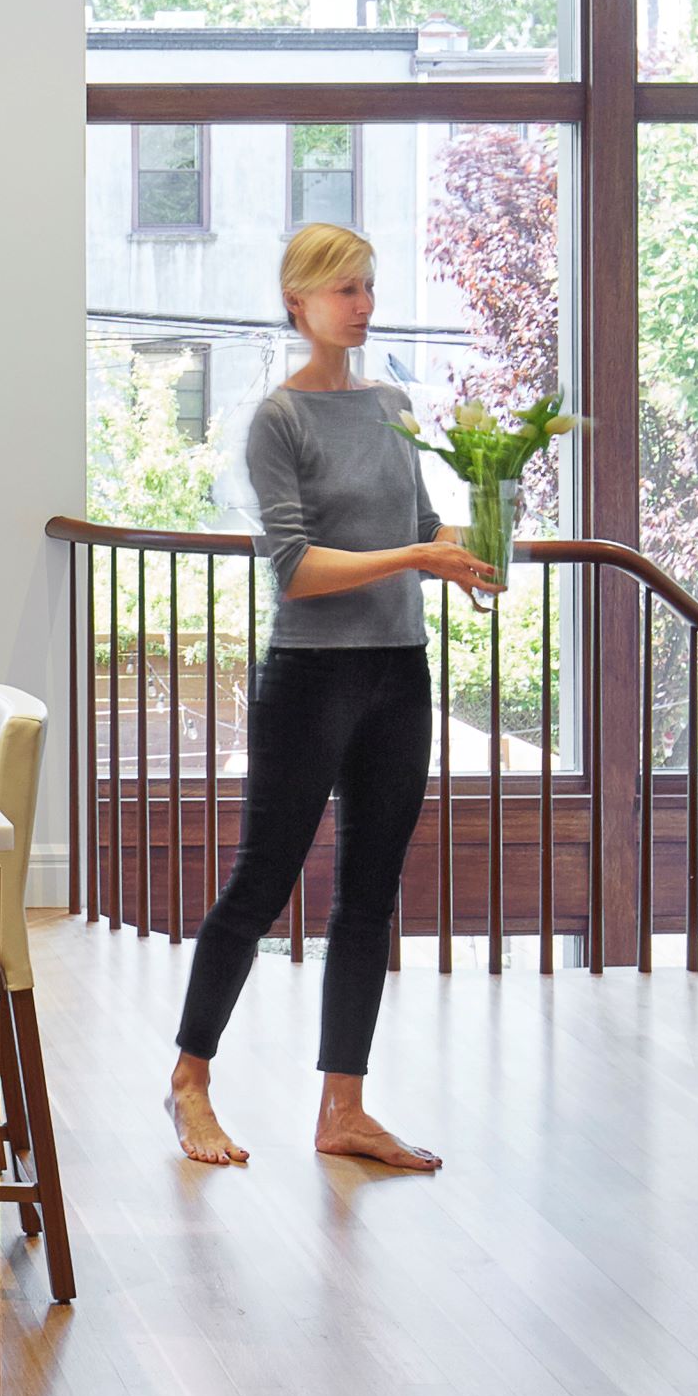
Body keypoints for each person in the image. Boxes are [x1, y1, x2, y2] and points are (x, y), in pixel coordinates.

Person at [167, 223, 497, 1170]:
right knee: (262, 885)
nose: (362, 304)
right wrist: (416, 554)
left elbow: (419, 525)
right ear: (297, 302)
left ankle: (343, 1108)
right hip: (312, 677)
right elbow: (295, 568)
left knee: (368, 896)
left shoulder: (391, 404)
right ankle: (190, 1081)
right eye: (344, 289)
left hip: (400, 671)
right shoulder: (281, 421)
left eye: (367, 286)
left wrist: (466, 552)